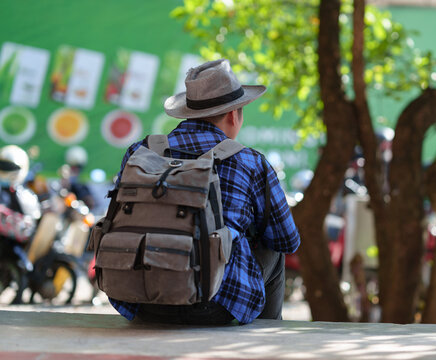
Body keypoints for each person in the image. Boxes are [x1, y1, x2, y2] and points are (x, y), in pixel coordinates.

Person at [109, 59, 301, 325]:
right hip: (213, 305)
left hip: (137, 298)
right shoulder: (250, 162)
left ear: (188, 112)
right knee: (273, 249)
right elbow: (287, 241)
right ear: (234, 115)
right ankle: (267, 338)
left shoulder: (140, 152)